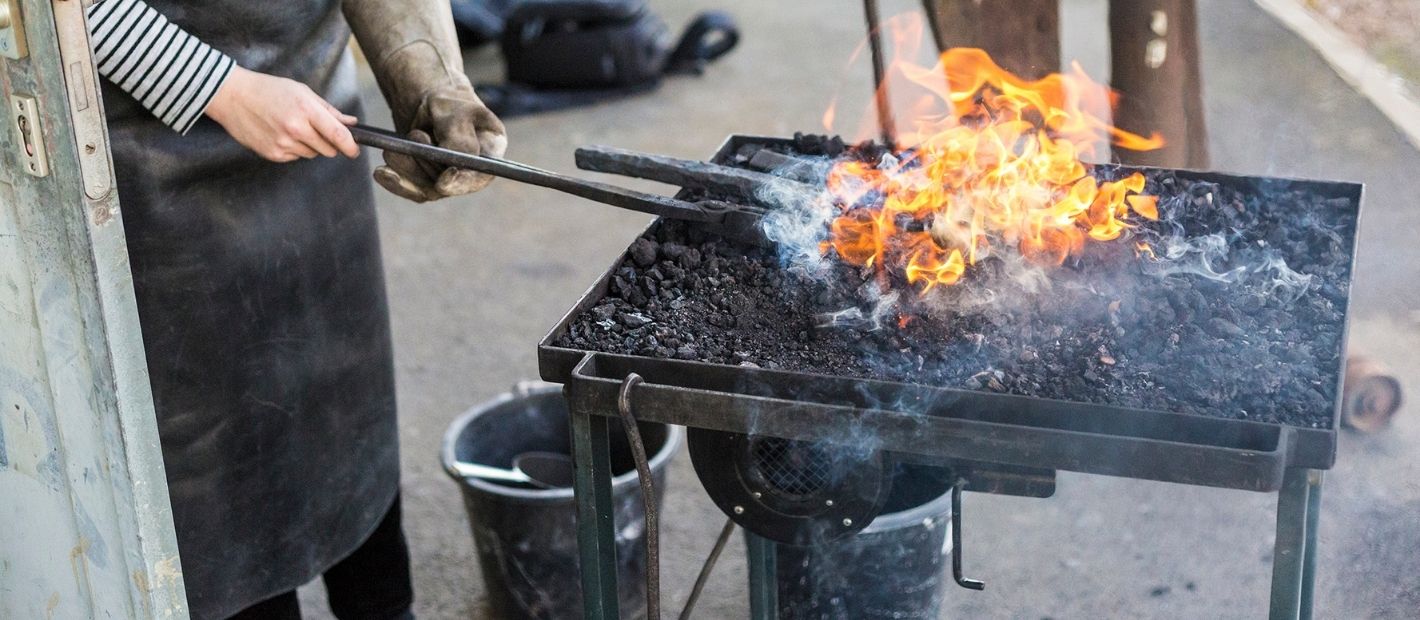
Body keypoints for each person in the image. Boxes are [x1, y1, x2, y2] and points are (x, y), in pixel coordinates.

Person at [85, 1, 506, 618]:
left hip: (317, 114)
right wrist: (219, 88)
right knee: (226, 475)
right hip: (150, 157)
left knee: (347, 416)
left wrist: (431, 77)